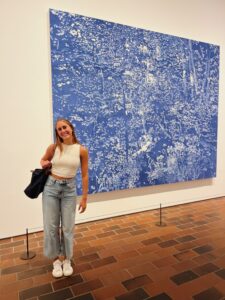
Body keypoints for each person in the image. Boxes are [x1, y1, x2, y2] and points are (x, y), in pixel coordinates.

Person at [40, 118, 88, 278]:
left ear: (71, 128)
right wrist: (44, 163)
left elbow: (85, 174)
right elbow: (42, 159)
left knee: (68, 227)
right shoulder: (53, 147)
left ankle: (67, 259)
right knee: (51, 227)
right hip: (51, 188)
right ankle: (55, 260)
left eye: (64, 127)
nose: (62, 131)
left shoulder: (81, 150)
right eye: (59, 129)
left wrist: (85, 198)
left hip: (69, 190)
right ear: (57, 133)